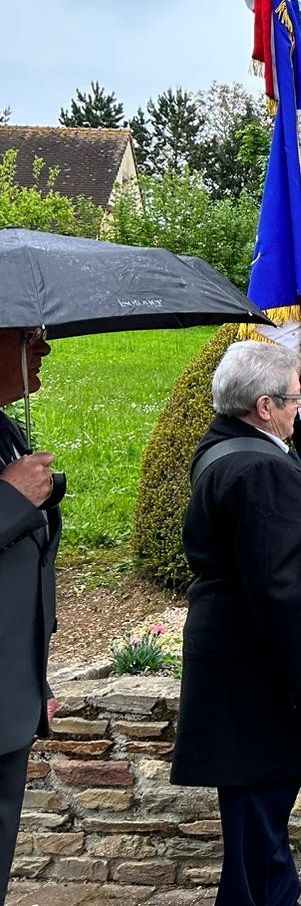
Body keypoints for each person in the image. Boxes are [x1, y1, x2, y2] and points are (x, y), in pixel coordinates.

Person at [172, 341, 301, 906]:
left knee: (260, 826)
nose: (300, 407)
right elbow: (280, 589)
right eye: (294, 400)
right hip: (262, 673)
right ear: (263, 405)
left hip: (243, 664)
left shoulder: (229, 447)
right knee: (258, 830)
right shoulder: (258, 471)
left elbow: (274, 505)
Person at [0, 329, 59, 905]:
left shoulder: (5, 429)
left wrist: (32, 679)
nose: (44, 349)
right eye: (29, 337)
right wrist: (10, 499)